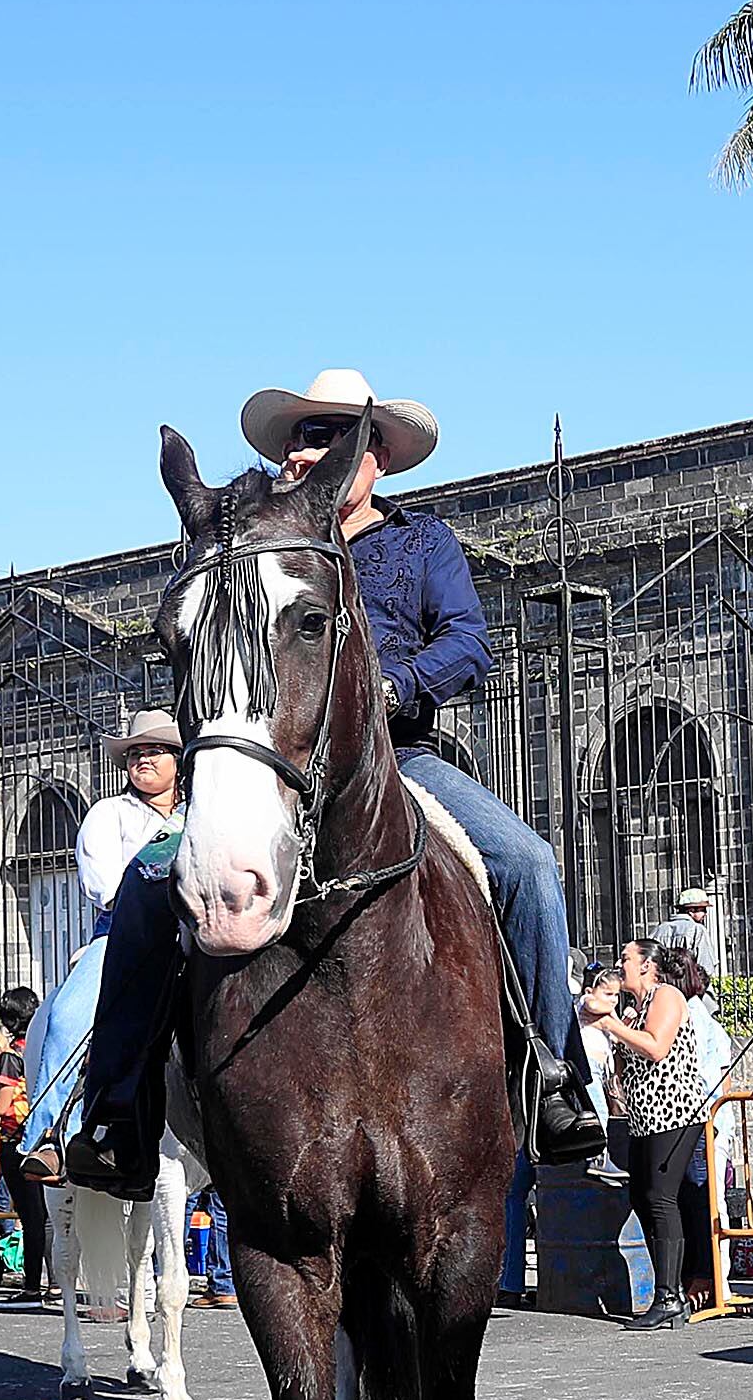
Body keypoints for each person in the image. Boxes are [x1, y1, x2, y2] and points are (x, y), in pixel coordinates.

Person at [67, 368, 599, 1194]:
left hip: (395, 760)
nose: (310, 451)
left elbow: (467, 641)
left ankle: (554, 1078)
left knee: (526, 863)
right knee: (145, 885)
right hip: (269, 766)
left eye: (330, 438)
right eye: (300, 438)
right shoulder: (257, 546)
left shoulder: (423, 544)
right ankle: (118, 1109)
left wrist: (396, 687)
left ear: (374, 455)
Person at [17, 711, 191, 1177]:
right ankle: (51, 1135)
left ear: (178, 761)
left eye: (153, 751)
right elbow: (107, 887)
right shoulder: (107, 814)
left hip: (198, 930)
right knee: (68, 1016)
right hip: (127, 935)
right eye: (134, 753)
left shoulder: (200, 814)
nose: (142, 760)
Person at [593, 936, 717, 1329]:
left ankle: (668, 1295)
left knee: (661, 1199)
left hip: (676, 1113)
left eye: (626, 958)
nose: (621, 965)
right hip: (646, 1117)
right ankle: (672, 1289)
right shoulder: (637, 1007)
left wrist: (610, 1023)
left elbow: (656, 1047)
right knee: (643, 1198)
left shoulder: (666, 996)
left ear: (647, 965)